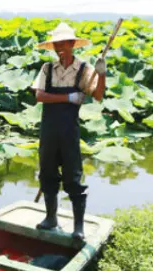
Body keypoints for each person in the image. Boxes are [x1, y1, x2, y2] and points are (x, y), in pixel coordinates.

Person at [31, 22, 106, 241]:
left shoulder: (84, 70)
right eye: (56, 44)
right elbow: (39, 96)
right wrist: (68, 97)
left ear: (72, 44)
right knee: (47, 174)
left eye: (63, 43)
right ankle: (50, 218)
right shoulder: (47, 69)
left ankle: (78, 226)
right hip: (49, 130)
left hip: (69, 131)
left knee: (74, 177)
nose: (59, 47)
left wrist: (101, 75)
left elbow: (98, 95)